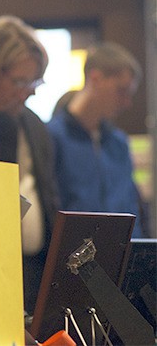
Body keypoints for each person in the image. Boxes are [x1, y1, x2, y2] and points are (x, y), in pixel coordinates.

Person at [0, 15, 60, 316]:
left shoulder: (34, 124)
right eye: (19, 81)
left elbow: (48, 197)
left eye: (35, 81)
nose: (30, 91)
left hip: (36, 275)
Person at [48, 42, 146, 238]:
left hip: (123, 257)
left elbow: (131, 208)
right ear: (96, 78)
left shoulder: (119, 142)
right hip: (74, 259)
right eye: (121, 90)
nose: (126, 103)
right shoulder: (52, 137)